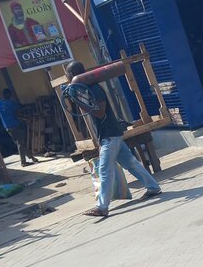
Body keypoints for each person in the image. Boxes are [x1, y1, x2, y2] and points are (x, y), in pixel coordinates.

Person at [63, 61, 161, 218]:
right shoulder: (86, 89)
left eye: (68, 75)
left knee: (104, 170)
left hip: (110, 135)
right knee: (131, 164)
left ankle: (102, 207)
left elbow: (100, 112)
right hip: (109, 134)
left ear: (72, 75)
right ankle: (153, 187)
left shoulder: (95, 89)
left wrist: (79, 101)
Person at [0, 88, 39, 167]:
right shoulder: (11, 103)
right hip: (16, 125)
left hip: (7, 127)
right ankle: (23, 162)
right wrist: (26, 119)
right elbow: (17, 114)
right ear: (10, 94)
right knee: (21, 143)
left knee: (19, 143)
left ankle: (32, 157)